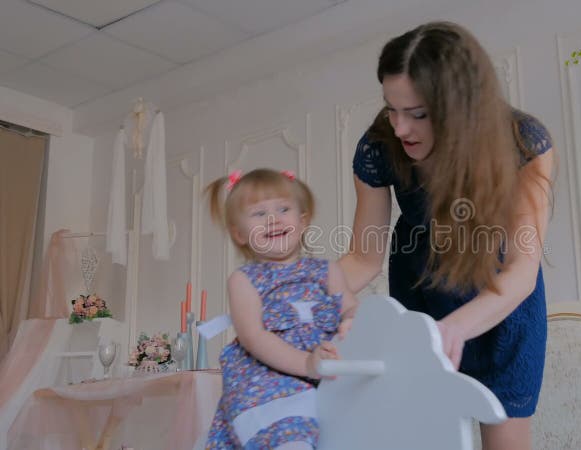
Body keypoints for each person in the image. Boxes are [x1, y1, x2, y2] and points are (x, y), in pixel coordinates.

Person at [340, 21, 555, 450]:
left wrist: (452, 330)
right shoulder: (379, 147)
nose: (400, 129)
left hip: (501, 305)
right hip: (419, 295)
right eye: (391, 108)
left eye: (418, 114)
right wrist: (305, 297)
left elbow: (522, 268)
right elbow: (363, 259)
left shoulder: (521, 142)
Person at [205, 168, 358, 450]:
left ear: (302, 221)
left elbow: (351, 309)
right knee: (289, 434)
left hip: (327, 369)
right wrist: (306, 364)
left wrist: (350, 322)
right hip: (268, 379)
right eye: (259, 214)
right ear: (239, 233)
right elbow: (254, 337)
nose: (272, 219)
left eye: (283, 209)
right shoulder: (245, 279)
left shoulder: (327, 271)